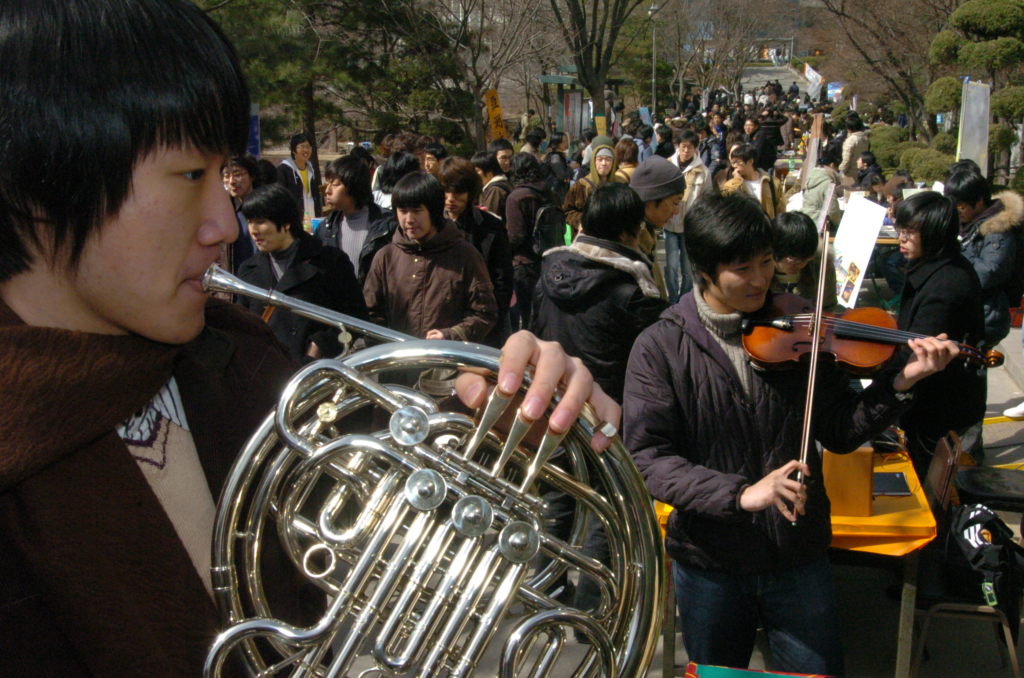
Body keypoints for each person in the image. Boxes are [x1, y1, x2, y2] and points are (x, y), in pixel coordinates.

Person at [0, 4, 621, 677]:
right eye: (188, 176)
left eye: (224, 176)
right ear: (42, 180)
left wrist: (493, 426)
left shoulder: (242, 364)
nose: (227, 226)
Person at [623, 192, 959, 676]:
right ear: (703, 269)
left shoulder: (799, 328)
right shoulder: (660, 347)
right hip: (710, 562)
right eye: (743, 268)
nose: (761, 280)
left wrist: (899, 384)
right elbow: (648, 459)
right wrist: (741, 494)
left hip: (797, 555)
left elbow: (842, 430)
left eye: (766, 262)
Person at [894, 191, 987, 473]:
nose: (901, 238)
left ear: (934, 235)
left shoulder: (946, 286)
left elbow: (917, 351)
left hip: (940, 410)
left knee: (934, 487)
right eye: (901, 230)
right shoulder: (940, 264)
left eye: (909, 233)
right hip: (939, 405)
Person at [236, 184, 367, 362]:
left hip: (315, 373)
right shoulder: (248, 271)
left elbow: (355, 316)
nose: (253, 230)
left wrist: (318, 346)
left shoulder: (330, 262)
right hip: (266, 371)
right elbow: (241, 327)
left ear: (286, 222)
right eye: (250, 221)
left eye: (260, 221)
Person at [363, 172, 498, 342]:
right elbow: (370, 313)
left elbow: (485, 313)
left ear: (434, 211)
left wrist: (451, 335)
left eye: (417, 211)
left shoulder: (465, 255)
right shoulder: (386, 257)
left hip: (448, 362)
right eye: (403, 211)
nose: (409, 219)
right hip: (400, 361)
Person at [438, 157, 515, 345]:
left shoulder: (490, 226)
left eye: (458, 192)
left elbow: (503, 280)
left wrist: (489, 317)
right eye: (446, 191)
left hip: (485, 325)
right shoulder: (432, 225)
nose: (450, 199)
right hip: (442, 323)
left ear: (470, 192)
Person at [945, 169, 1023, 348]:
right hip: (971, 312)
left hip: (984, 318)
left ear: (979, 200)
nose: (958, 212)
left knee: (972, 372)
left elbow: (988, 273)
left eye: (960, 206)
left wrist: (957, 249)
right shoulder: (968, 223)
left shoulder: (998, 228)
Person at [316, 155, 395, 285]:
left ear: (354, 186)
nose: (328, 190)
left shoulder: (387, 224)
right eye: (327, 183)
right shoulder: (326, 228)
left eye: (335, 184)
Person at [506, 153, 557, 330]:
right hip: (550, 260)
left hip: (524, 264)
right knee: (546, 315)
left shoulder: (516, 197)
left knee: (527, 318)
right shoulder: (551, 194)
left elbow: (515, 236)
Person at [663, 129, 714, 303]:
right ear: (678, 146)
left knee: (688, 268)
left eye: (690, 148)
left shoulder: (704, 171)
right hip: (669, 223)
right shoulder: (668, 166)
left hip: (690, 226)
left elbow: (707, 198)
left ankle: (684, 300)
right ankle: (672, 298)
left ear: (695, 149)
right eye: (683, 147)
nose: (686, 151)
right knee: (671, 265)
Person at [770, 212, 838, 312]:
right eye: (793, 260)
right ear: (777, 249)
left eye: (806, 259)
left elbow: (828, 307)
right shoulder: (760, 270)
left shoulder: (822, 266)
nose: (800, 265)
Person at [564, 135, 620, 231]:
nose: (604, 163)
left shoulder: (620, 184)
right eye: (600, 159)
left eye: (608, 159)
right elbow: (567, 211)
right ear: (594, 162)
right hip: (587, 236)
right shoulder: (580, 186)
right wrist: (583, 221)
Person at [720, 144, 786, 218]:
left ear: (750, 161)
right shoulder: (730, 184)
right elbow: (727, 208)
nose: (735, 166)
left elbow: (781, 209)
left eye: (738, 162)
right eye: (733, 162)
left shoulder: (772, 182)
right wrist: (737, 181)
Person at [223, 153, 259, 272]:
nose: (231, 181)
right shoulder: (223, 210)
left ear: (252, 175)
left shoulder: (266, 207)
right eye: (226, 176)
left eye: (237, 175)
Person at [277, 132, 322, 220]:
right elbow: (280, 198)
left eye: (308, 147)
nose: (306, 150)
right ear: (293, 150)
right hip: (294, 221)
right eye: (302, 147)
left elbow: (315, 195)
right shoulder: (283, 170)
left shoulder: (311, 169)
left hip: (312, 219)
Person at [472, 151, 513, 220]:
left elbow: (489, 218)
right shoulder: (504, 183)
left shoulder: (495, 190)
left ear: (489, 172)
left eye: (477, 171)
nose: (474, 174)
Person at [840, 114, 870, 178]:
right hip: (861, 170)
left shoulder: (851, 140)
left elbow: (846, 159)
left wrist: (841, 170)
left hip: (850, 173)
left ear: (850, 129)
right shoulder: (865, 137)